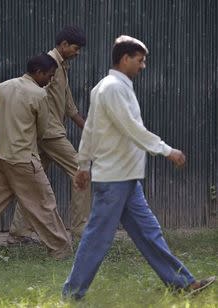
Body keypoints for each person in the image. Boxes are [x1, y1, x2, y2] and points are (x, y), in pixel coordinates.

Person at [62, 35, 216, 299]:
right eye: (140, 60)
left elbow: (90, 129)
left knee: (149, 233)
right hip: (114, 178)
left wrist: (84, 165)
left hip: (125, 176)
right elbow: (132, 128)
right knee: (98, 238)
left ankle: (183, 284)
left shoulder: (107, 86)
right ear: (125, 59)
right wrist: (166, 150)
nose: (143, 66)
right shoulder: (112, 88)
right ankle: (71, 294)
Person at [0, 54, 72, 260]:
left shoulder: (4, 87)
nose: (50, 80)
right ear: (38, 72)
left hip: (1, 158)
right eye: (49, 76)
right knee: (44, 203)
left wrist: (8, 124)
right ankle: (60, 250)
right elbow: (42, 131)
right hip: (24, 160)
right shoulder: (39, 95)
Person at [8, 26, 91, 244]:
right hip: (50, 133)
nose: (78, 52)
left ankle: (18, 234)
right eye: (75, 48)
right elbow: (34, 95)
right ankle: (81, 234)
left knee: (33, 182)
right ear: (63, 45)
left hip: (47, 133)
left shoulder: (62, 67)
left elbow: (70, 106)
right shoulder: (48, 67)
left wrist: (89, 128)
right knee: (82, 173)